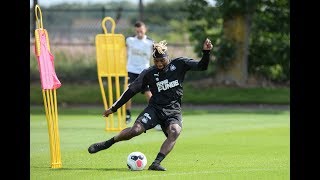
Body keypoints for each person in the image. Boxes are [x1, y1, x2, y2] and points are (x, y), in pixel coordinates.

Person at [88, 38, 213, 171]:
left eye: (162, 60)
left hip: (173, 111)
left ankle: (156, 163)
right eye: (156, 61)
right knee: (135, 131)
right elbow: (131, 91)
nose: (159, 64)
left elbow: (202, 66)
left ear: (167, 57)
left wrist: (206, 52)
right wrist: (113, 108)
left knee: (175, 131)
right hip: (155, 109)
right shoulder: (149, 73)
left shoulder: (180, 64)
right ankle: (108, 143)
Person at [125, 21, 153, 124]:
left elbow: (158, 53)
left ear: (145, 29)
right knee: (127, 92)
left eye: (141, 30)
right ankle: (128, 114)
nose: (139, 33)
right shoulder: (129, 40)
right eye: (137, 31)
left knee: (149, 94)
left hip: (144, 71)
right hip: (131, 70)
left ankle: (155, 114)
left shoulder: (150, 42)